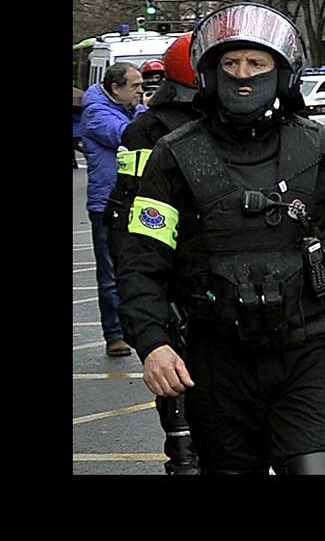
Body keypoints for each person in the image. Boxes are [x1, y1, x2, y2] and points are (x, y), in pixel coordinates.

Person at [120, 2, 325, 475]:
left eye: (256, 63)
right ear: (209, 73)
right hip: (215, 366)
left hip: (305, 359)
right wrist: (152, 343)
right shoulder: (175, 157)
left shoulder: (319, 149)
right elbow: (142, 262)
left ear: (281, 72)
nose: (242, 75)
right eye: (230, 64)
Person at [106, 34, 207, 473]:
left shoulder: (142, 127)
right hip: (182, 261)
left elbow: (123, 209)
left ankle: (183, 453)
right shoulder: (153, 130)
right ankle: (185, 454)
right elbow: (133, 207)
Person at [82, 60, 147, 359]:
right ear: (115, 89)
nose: (141, 91)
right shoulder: (96, 113)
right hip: (107, 202)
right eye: (135, 86)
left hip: (137, 200)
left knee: (140, 267)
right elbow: (129, 135)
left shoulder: (134, 110)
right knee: (110, 273)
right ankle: (114, 334)